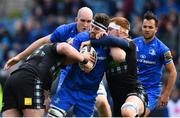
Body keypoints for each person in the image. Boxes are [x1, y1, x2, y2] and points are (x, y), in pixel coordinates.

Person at [4, 6, 111, 117]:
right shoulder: (65, 31)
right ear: (76, 20)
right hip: (69, 74)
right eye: (82, 21)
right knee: (56, 111)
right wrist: (19, 57)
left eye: (89, 21)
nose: (85, 25)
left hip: (91, 78)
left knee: (102, 102)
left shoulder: (99, 35)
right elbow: (43, 41)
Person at [2, 42, 93, 117]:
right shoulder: (56, 48)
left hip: (12, 79)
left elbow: (45, 98)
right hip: (30, 79)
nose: (73, 62)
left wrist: (51, 105)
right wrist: (84, 59)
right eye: (75, 60)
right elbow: (65, 47)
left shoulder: (50, 63)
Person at [81, 17, 148, 117]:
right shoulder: (105, 47)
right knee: (124, 111)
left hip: (134, 93)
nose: (107, 31)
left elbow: (119, 57)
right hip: (117, 101)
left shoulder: (130, 43)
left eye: (110, 29)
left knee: (127, 111)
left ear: (121, 31)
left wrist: (101, 40)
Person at [47, 13, 111, 117]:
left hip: (88, 95)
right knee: (53, 115)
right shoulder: (81, 37)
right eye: (93, 26)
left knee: (103, 102)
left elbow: (120, 56)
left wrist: (108, 40)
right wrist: (80, 57)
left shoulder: (109, 45)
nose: (93, 30)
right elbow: (64, 62)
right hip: (70, 88)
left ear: (105, 32)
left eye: (97, 29)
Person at [133, 11, 177, 116]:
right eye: (145, 26)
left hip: (151, 91)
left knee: (140, 115)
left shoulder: (163, 49)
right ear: (142, 27)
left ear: (156, 29)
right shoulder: (133, 43)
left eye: (150, 27)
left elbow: (173, 72)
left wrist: (166, 94)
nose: (147, 29)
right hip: (133, 87)